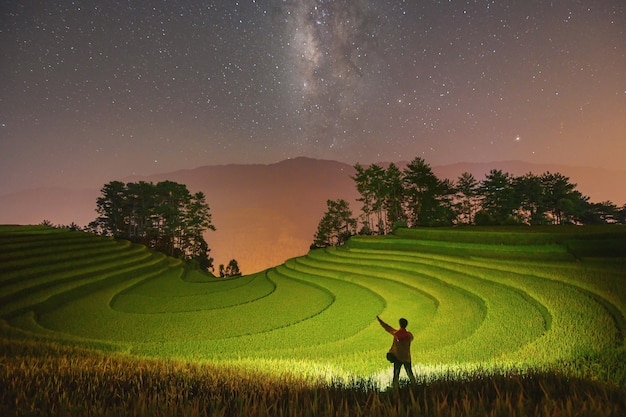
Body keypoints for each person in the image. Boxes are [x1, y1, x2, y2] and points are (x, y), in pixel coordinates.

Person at [377, 315, 416, 387]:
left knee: (396, 375)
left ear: (400, 324)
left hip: (398, 357)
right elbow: (411, 339)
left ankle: (395, 388)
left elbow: (387, 328)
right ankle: (415, 386)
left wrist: (380, 321)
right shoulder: (409, 335)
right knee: (410, 373)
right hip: (407, 357)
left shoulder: (396, 333)